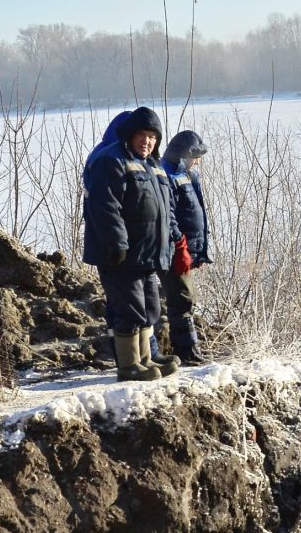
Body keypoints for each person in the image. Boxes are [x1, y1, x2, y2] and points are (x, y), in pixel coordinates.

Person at [82, 105, 181, 382]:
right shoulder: (111, 160)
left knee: (150, 307)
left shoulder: (153, 166)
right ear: (129, 135)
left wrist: (170, 244)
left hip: (148, 254)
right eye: (142, 135)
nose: (147, 141)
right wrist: (117, 243)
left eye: (152, 136)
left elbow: (164, 210)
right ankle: (129, 365)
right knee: (130, 309)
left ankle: (146, 358)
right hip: (121, 255)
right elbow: (105, 207)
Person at [160, 129, 211, 365]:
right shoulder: (167, 176)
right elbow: (169, 215)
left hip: (188, 248)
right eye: (196, 156)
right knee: (182, 297)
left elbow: (196, 211)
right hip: (175, 249)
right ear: (184, 154)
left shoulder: (190, 176)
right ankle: (186, 350)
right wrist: (179, 243)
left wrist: (198, 248)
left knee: (186, 296)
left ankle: (190, 348)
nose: (198, 161)